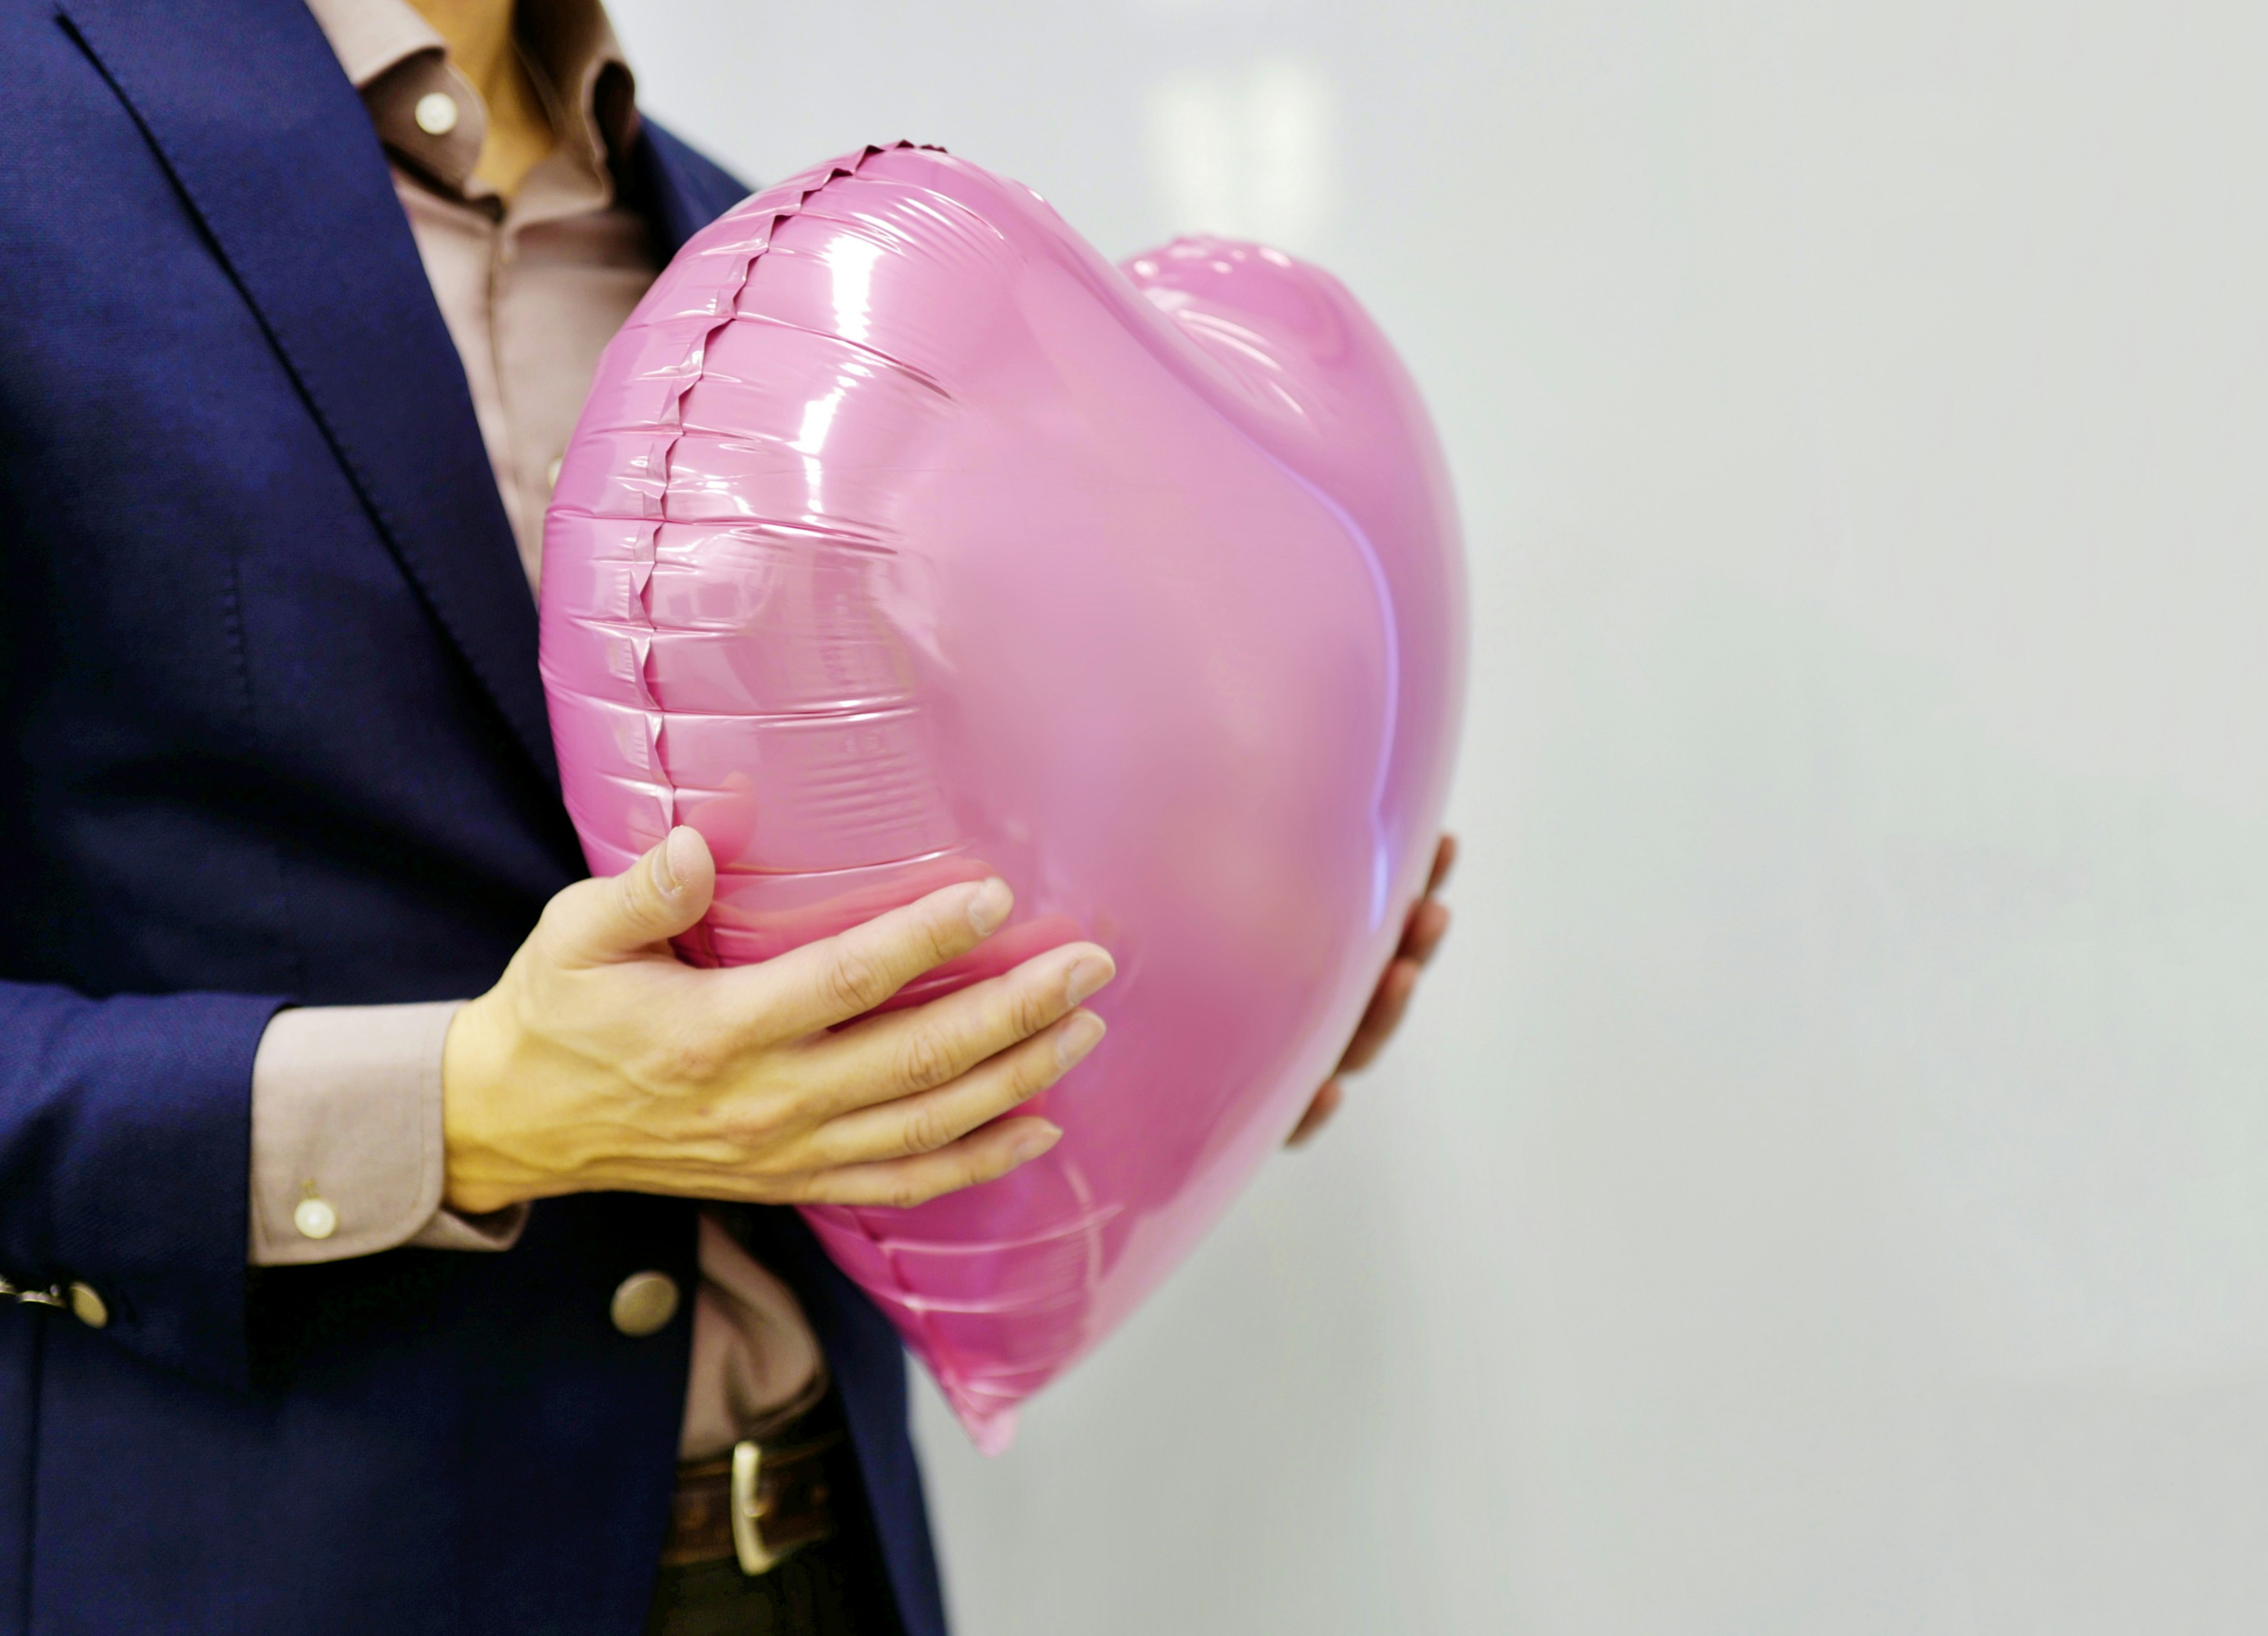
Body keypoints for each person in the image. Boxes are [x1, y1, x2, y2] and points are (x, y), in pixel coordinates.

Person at [0, 1, 1455, 1632]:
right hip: (284, 1573)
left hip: (826, 1547)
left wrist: (1191, 1020)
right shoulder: (30, 134)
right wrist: (457, 1109)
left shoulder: (765, 251)